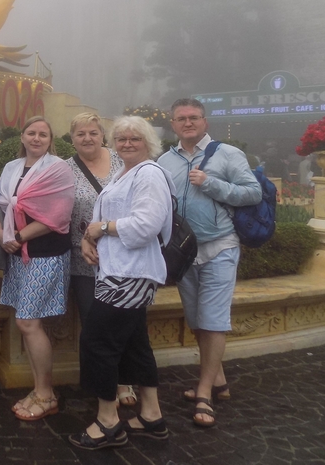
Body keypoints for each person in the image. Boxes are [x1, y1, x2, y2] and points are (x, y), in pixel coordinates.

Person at [69, 116, 174, 451]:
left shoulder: (149, 174)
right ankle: (152, 415)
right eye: (122, 139)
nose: (127, 144)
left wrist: (102, 229)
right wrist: (90, 236)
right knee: (134, 343)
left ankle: (108, 422)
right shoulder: (124, 173)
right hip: (117, 271)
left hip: (131, 274)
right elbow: (99, 218)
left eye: (135, 138)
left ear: (148, 142)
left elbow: (145, 225)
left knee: (98, 342)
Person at [158, 99, 260, 428]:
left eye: (193, 117)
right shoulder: (164, 161)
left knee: (213, 321)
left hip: (220, 246)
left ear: (205, 121)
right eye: (181, 118)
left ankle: (204, 393)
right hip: (183, 251)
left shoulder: (227, 154)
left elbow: (253, 192)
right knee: (197, 321)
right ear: (173, 124)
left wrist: (211, 183)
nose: (187, 123)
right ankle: (219, 381)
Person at [0, 116, 74, 420]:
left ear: (51, 140)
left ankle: (45, 393)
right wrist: (0, 235)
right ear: (22, 137)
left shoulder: (58, 169)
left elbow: (59, 215)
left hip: (45, 254)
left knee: (27, 322)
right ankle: (40, 389)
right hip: (16, 254)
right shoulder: (12, 168)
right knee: (29, 322)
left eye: (43, 134)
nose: (36, 138)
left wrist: (18, 237)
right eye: (31, 133)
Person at [65, 112, 135, 406]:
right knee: (93, 322)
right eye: (80, 134)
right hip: (85, 258)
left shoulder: (122, 162)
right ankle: (101, 385)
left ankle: (123, 380)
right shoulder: (65, 169)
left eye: (93, 133)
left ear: (102, 136)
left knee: (122, 319)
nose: (87, 138)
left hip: (122, 255)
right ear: (72, 138)